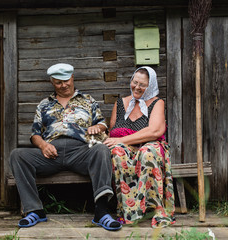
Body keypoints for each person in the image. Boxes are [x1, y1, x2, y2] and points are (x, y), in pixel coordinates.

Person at [9, 63, 122, 231]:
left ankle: (102, 211)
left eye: (66, 81)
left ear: (72, 78)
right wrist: (43, 145)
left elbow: (102, 124)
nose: (64, 85)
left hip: (81, 152)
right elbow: (34, 134)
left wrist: (97, 128)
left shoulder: (87, 100)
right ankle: (34, 210)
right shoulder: (44, 104)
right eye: (58, 82)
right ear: (52, 83)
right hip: (51, 154)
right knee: (17, 155)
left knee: (101, 150)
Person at [103, 66, 175, 228]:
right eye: (135, 82)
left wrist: (123, 140)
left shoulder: (157, 103)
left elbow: (155, 130)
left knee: (147, 152)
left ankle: (156, 209)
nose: (137, 87)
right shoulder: (120, 103)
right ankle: (128, 211)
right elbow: (112, 131)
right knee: (117, 152)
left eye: (142, 85)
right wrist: (117, 142)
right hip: (126, 149)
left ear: (150, 86)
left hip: (150, 146)